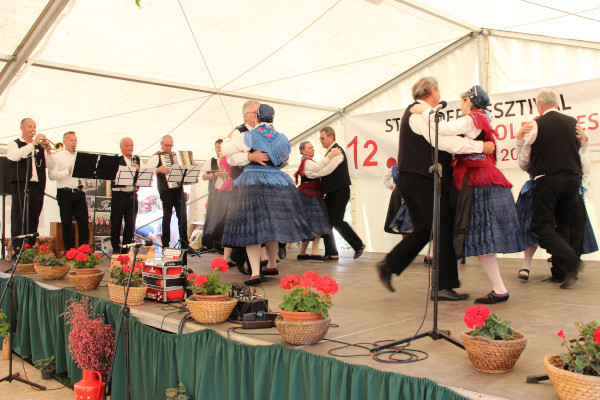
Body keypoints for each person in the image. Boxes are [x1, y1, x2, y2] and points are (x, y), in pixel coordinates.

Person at [375, 77, 495, 301]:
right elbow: (442, 141)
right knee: (442, 229)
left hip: (415, 180)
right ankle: (441, 287)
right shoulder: (419, 113)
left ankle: (389, 265)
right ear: (433, 91)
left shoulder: (424, 113)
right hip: (423, 180)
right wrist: (481, 146)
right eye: (438, 90)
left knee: (424, 230)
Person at [413, 86, 524, 304]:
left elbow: (445, 129)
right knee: (470, 234)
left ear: (470, 102)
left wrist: (425, 112)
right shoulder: (481, 118)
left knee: (477, 234)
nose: (461, 105)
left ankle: (498, 288)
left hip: (477, 181)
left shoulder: (474, 118)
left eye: (463, 101)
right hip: (479, 179)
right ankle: (451, 284)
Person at [221, 103, 314, 285]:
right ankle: (272, 264)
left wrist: (227, 139)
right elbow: (284, 161)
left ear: (257, 117)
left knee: (253, 228)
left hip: (253, 181)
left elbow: (226, 152)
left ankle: (255, 273)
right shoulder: (282, 138)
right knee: (272, 226)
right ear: (273, 118)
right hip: (277, 182)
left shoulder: (248, 136)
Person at [516, 89, 585, 288]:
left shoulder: (536, 125)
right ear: (557, 103)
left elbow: (524, 160)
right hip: (572, 179)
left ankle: (571, 261)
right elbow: (579, 150)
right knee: (564, 225)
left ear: (540, 105)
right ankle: (562, 273)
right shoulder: (573, 122)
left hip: (548, 180)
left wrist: (520, 142)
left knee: (540, 225)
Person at [304, 127, 365, 261]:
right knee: (327, 221)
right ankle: (332, 252)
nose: (321, 141)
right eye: (320, 138)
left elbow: (326, 171)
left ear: (331, 137)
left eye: (323, 138)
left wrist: (308, 174)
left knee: (336, 221)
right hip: (332, 192)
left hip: (339, 191)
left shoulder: (337, 152)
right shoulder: (331, 152)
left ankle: (358, 245)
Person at [7, 118, 55, 257]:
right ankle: (17, 252)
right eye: (29, 126)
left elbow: (51, 166)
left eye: (34, 126)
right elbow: (14, 156)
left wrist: (49, 152)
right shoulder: (14, 144)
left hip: (37, 187)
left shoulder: (39, 147)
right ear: (22, 128)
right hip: (21, 185)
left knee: (34, 219)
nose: (33, 129)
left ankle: (30, 251)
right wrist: (33, 144)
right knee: (18, 218)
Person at [145, 135, 188, 251]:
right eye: (167, 145)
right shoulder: (157, 157)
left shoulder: (175, 156)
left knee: (182, 216)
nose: (169, 148)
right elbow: (146, 170)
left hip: (178, 189)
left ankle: (184, 243)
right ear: (161, 144)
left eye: (170, 145)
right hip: (165, 189)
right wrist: (158, 169)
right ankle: (165, 244)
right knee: (167, 216)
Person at [48, 131, 89, 252]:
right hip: (64, 193)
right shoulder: (57, 156)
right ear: (64, 142)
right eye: (71, 140)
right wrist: (68, 171)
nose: (74, 143)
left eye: (75, 140)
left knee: (84, 223)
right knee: (67, 224)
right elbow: (52, 176)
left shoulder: (79, 156)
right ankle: (70, 251)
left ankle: (84, 251)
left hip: (79, 192)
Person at [294, 141, 336, 260]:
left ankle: (302, 252)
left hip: (308, 193)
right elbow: (318, 169)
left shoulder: (307, 161)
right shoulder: (307, 161)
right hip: (310, 193)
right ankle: (314, 251)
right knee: (319, 221)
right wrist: (330, 157)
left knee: (309, 223)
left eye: (312, 147)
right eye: (309, 148)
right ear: (303, 151)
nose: (313, 149)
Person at [110, 137, 140, 254]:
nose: (130, 148)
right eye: (127, 146)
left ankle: (126, 249)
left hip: (132, 194)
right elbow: (111, 175)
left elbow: (142, 176)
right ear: (121, 146)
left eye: (132, 145)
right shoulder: (116, 159)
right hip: (119, 194)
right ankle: (116, 248)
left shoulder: (136, 159)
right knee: (116, 222)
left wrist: (138, 170)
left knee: (130, 224)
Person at [200, 139, 227, 249]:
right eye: (217, 147)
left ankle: (221, 243)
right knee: (210, 216)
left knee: (224, 217)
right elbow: (204, 176)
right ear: (215, 148)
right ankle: (207, 243)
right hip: (214, 191)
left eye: (221, 147)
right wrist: (217, 173)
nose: (219, 150)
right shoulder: (210, 161)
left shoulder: (230, 160)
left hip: (226, 192)